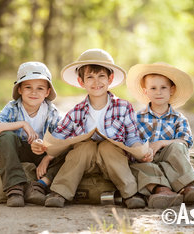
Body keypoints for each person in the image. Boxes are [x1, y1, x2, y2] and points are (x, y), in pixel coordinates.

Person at [32, 48, 152, 209]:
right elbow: (58, 138)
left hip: (112, 161)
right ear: (82, 82)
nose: (96, 82)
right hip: (85, 163)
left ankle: (130, 193)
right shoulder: (76, 112)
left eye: (101, 76)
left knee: (107, 146)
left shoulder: (123, 107)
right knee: (85, 146)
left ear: (110, 78)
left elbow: (132, 137)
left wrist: (140, 150)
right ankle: (60, 192)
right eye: (90, 77)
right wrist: (46, 153)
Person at [0, 61, 64, 207]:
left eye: (40, 88)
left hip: (42, 155)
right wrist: (22, 124)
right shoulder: (13, 107)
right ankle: (15, 189)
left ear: (47, 92)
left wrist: (47, 155)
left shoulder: (52, 112)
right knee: (5, 136)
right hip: (18, 153)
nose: (34, 92)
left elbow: (63, 137)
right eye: (28, 87)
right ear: (19, 89)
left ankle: (39, 186)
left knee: (69, 149)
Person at [126, 62, 194, 208]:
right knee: (141, 167)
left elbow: (185, 141)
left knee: (177, 146)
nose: (158, 92)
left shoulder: (178, 118)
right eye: (153, 88)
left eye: (163, 88)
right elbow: (131, 141)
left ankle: (187, 187)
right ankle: (163, 191)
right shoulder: (137, 118)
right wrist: (141, 153)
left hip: (171, 161)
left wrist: (161, 143)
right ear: (145, 91)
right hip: (148, 160)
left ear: (171, 90)